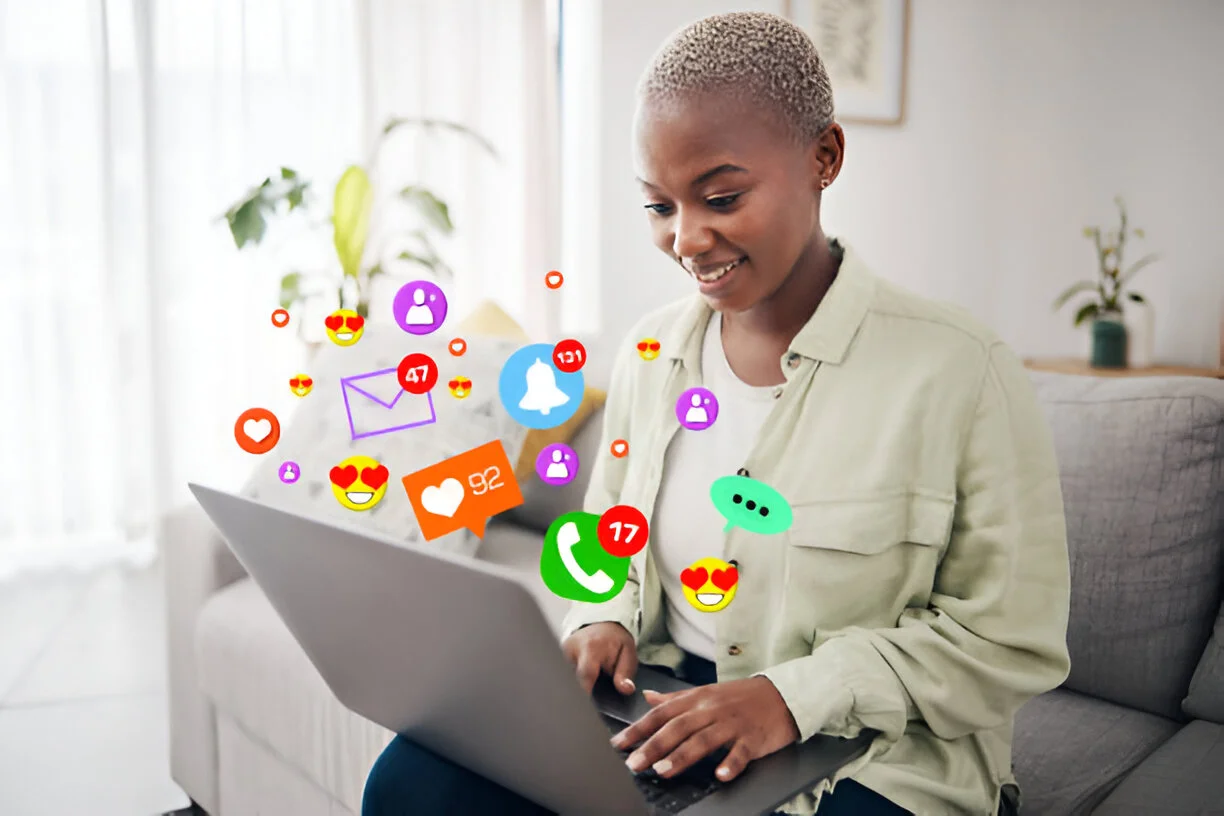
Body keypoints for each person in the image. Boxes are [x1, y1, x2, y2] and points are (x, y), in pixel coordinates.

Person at [363, 11, 1070, 816]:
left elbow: (1010, 640)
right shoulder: (649, 354)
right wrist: (600, 619)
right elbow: (603, 544)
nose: (687, 239)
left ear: (824, 157)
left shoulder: (961, 372)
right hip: (664, 708)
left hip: (872, 752)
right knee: (412, 782)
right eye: (659, 206)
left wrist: (787, 698)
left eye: (722, 197)